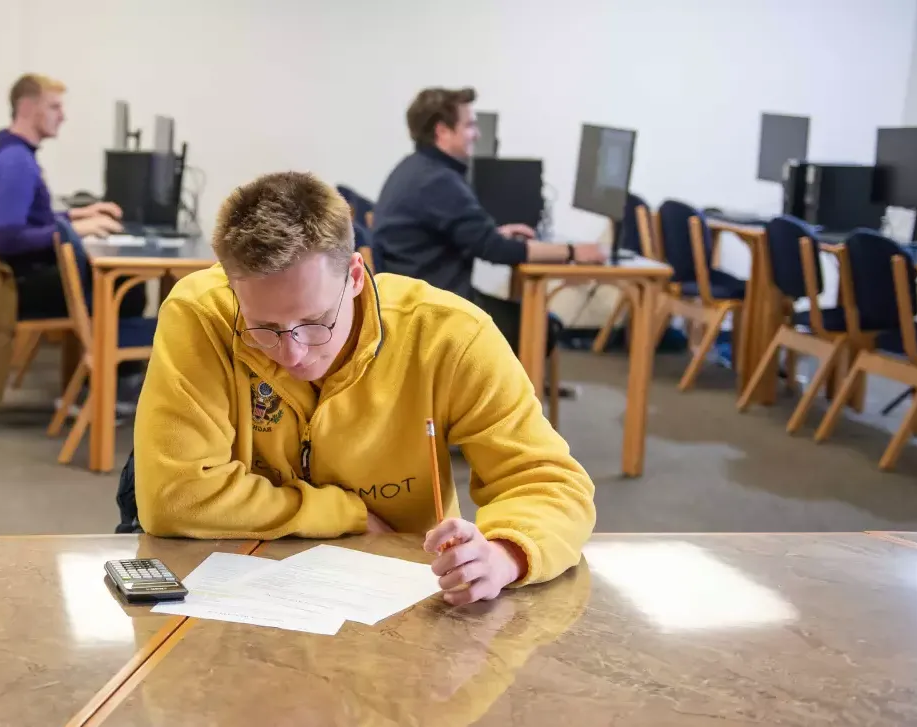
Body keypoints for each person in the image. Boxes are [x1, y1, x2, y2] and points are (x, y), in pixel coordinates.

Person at [134, 171, 595, 606]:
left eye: (315, 323)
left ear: (355, 276)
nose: (292, 353)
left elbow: (548, 482)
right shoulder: (202, 313)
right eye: (264, 327)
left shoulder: (450, 336)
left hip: (395, 591)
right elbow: (175, 496)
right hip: (240, 580)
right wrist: (346, 515)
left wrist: (505, 554)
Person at [371, 87, 605, 352]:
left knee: (527, 319)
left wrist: (495, 233)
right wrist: (573, 251)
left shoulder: (416, 169)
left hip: (416, 305)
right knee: (541, 328)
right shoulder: (438, 181)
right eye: (470, 125)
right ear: (442, 131)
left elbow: (470, 237)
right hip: (437, 314)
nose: (477, 134)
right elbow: (496, 250)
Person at [0, 73, 145, 320]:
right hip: (18, 283)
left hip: (22, 272)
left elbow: (31, 220)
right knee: (128, 288)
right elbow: (8, 239)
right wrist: (75, 229)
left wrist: (76, 215)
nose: (62, 116)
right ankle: (113, 356)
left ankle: (103, 355)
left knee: (118, 279)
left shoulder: (14, 153)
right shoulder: (16, 162)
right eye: (54, 107)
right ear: (26, 107)